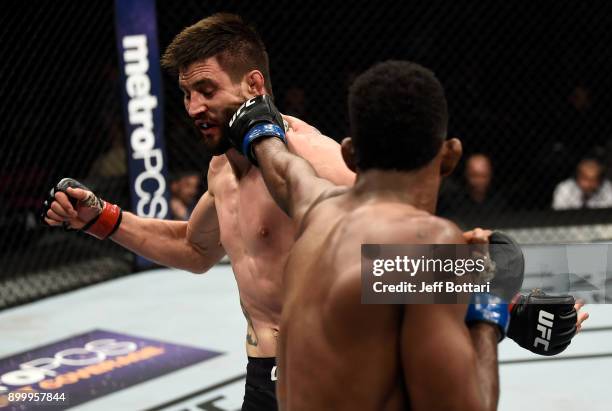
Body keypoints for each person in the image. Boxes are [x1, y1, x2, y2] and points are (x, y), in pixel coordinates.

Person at [41, 14, 587, 410]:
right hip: (264, 372)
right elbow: (193, 247)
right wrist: (101, 219)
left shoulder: (320, 160)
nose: (193, 108)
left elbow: (411, 243)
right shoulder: (220, 171)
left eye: (206, 89)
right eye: (185, 94)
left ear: (253, 85)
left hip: (336, 364)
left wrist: (507, 307)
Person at [227, 61, 583, 409]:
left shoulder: (318, 210)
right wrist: (492, 306)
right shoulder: (427, 242)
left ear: (349, 154)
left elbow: (283, 167)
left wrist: (258, 127)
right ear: (450, 157)